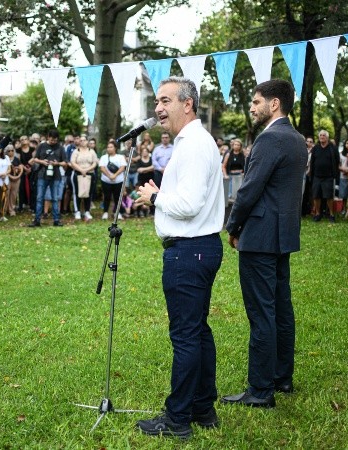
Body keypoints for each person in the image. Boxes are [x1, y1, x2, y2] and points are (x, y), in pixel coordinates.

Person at [134, 76, 225, 438]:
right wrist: (161, 191)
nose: (157, 108)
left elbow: (188, 205)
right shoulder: (194, 143)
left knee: (186, 336)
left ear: (188, 104)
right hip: (199, 248)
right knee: (198, 331)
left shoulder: (193, 145)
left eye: (166, 100)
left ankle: (177, 421)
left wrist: (153, 198)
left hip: (189, 251)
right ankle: (203, 409)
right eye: (156, 101)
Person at [222, 79, 307, 410]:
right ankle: (281, 377)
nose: (252, 107)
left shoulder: (270, 139)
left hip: (259, 237)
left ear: (274, 104)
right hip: (283, 234)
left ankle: (260, 390)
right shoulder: (297, 139)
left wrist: (233, 225)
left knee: (262, 313)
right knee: (281, 308)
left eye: (256, 101)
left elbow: (249, 188)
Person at [27, 130, 67, 227]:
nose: (53, 142)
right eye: (52, 139)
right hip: (42, 175)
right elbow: (35, 159)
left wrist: (56, 163)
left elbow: (65, 162)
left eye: (55, 140)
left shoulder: (60, 148)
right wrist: (42, 162)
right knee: (40, 198)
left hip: (56, 176)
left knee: (55, 198)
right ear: (48, 137)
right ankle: (37, 220)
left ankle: (56, 220)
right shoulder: (42, 146)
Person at [308, 130, 340, 222]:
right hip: (316, 176)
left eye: (324, 135)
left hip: (328, 176)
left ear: (327, 137)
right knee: (316, 196)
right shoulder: (315, 148)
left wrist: (335, 174)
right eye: (320, 135)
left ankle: (331, 214)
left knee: (329, 196)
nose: (322, 137)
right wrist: (311, 174)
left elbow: (337, 161)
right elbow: (312, 162)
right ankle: (318, 214)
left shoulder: (332, 148)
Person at [69, 136, 98, 221]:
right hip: (78, 174)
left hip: (89, 174)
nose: (82, 142)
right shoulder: (75, 151)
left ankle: (87, 211)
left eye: (84, 140)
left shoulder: (91, 151)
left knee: (88, 194)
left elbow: (94, 162)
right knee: (77, 193)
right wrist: (81, 170)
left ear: (87, 141)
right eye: (80, 140)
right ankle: (77, 211)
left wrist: (87, 170)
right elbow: (73, 162)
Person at [98, 140, 126, 220]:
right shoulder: (104, 157)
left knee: (117, 197)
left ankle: (118, 213)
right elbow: (102, 168)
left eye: (111, 147)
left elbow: (122, 167)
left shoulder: (120, 157)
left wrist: (115, 175)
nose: (109, 149)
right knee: (107, 197)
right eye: (108, 147)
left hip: (118, 181)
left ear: (115, 148)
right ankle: (105, 212)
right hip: (106, 181)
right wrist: (109, 176)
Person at [222, 138, 246, 205]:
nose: (236, 146)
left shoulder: (242, 155)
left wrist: (243, 173)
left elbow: (244, 166)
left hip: (239, 176)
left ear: (240, 146)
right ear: (233, 145)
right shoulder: (228, 154)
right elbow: (223, 166)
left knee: (237, 196)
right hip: (230, 176)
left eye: (238, 145)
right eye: (235, 144)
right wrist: (225, 175)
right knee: (229, 196)